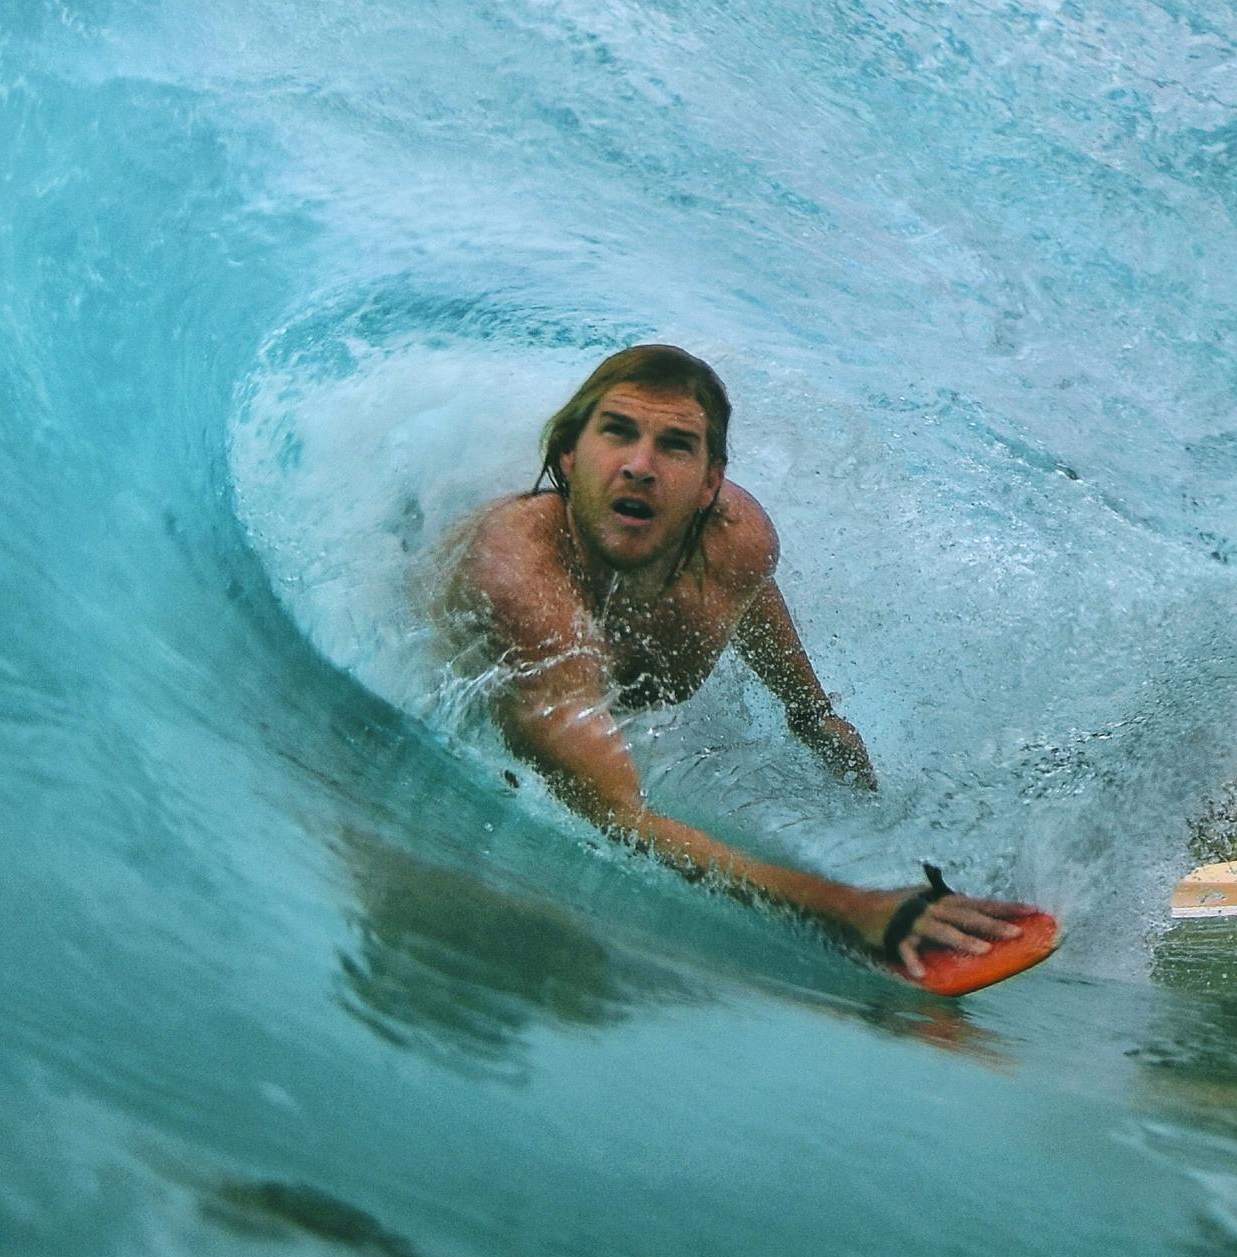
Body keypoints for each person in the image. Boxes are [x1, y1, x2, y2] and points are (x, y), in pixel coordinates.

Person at [434, 343, 1041, 983]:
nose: (640, 467)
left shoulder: (735, 538)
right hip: (485, 699)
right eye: (617, 432)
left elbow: (748, 594)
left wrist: (812, 714)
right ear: (567, 455)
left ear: (710, 484)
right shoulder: (521, 579)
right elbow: (616, 814)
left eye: (675, 446)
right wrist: (854, 910)